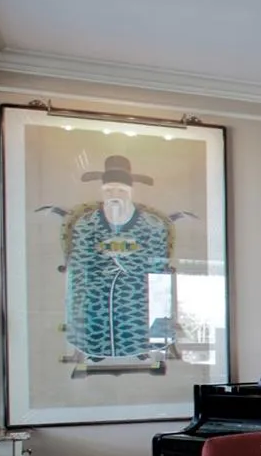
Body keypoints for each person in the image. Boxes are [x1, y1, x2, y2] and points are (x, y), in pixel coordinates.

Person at [52, 155, 178, 364]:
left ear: (130, 193)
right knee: (90, 302)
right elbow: (82, 260)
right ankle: (94, 348)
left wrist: (125, 259)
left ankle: (142, 347)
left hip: (137, 288)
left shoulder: (152, 225)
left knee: (145, 301)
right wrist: (105, 259)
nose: (115, 195)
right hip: (96, 286)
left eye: (120, 191)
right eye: (109, 190)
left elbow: (157, 264)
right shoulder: (86, 223)